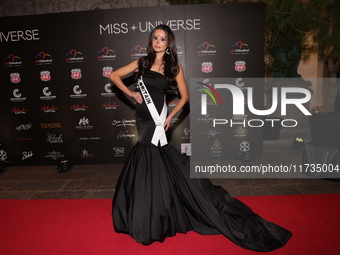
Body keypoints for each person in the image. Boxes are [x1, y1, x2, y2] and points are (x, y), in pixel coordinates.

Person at [110, 24, 292, 251]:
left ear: (168, 43)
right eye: (155, 38)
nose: (158, 42)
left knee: (152, 155)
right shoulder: (142, 62)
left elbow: (185, 97)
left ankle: (157, 209)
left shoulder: (174, 67)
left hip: (158, 119)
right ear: (151, 41)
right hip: (143, 117)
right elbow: (114, 75)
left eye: (163, 39)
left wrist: (170, 118)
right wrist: (132, 93)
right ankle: (153, 205)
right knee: (149, 156)